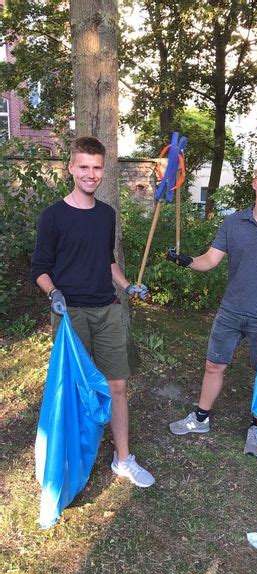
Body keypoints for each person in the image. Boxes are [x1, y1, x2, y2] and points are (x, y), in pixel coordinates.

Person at [166, 157, 257, 456]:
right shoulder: (233, 223)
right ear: (254, 182)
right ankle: (201, 418)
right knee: (213, 364)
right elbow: (211, 259)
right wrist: (187, 261)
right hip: (231, 310)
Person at [32, 136, 155, 487]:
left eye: (96, 167)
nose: (90, 174)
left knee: (117, 385)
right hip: (70, 314)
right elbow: (39, 268)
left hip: (106, 311)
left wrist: (127, 285)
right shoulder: (53, 216)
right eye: (83, 166)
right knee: (73, 388)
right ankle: (70, 456)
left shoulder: (106, 215)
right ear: (70, 167)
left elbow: (107, 261)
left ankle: (123, 459)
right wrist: (53, 292)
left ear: (104, 170)